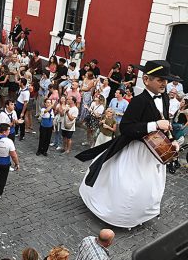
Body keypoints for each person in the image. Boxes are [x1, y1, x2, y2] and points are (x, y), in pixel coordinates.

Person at [77, 60, 180, 228]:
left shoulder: (165, 98)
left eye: (165, 80)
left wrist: (172, 139)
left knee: (149, 186)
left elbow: (165, 122)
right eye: (160, 80)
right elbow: (126, 127)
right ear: (146, 80)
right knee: (127, 186)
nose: (164, 84)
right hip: (136, 149)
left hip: (153, 150)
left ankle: (140, 215)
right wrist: (154, 125)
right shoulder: (139, 101)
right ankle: (121, 217)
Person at [0, 123, 20, 201]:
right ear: (4, 132)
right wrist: (17, 163)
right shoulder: (8, 142)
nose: (9, 131)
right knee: (2, 179)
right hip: (4, 163)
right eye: (8, 130)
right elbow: (13, 155)